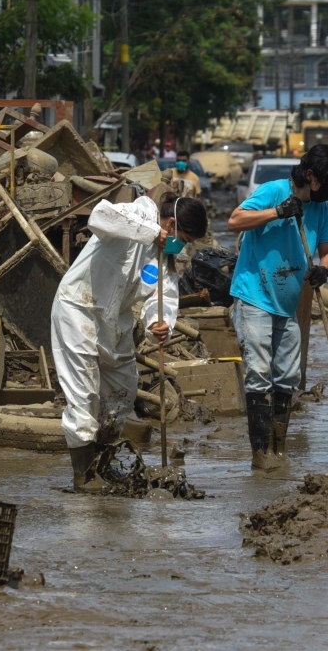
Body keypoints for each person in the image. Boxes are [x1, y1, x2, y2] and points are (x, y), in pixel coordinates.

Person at [52, 191, 209, 491]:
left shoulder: (166, 263)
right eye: (184, 238)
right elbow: (99, 216)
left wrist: (158, 324)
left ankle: (102, 461)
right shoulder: (136, 214)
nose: (184, 245)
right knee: (84, 394)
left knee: (122, 393)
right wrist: (151, 233)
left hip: (115, 323)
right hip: (78, 309)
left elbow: (161, 301)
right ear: (171, 223)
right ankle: (83, 477)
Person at [226, 144, 328, 469]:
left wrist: (325, 268)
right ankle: (260, 455)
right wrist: (278, 212)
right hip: (254, 295)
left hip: (288, 303)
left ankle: (279, 450)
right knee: (259, 373)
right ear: (311, 176)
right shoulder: (273, 191)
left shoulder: (320, 210)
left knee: (288, 376)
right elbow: (235, 221)